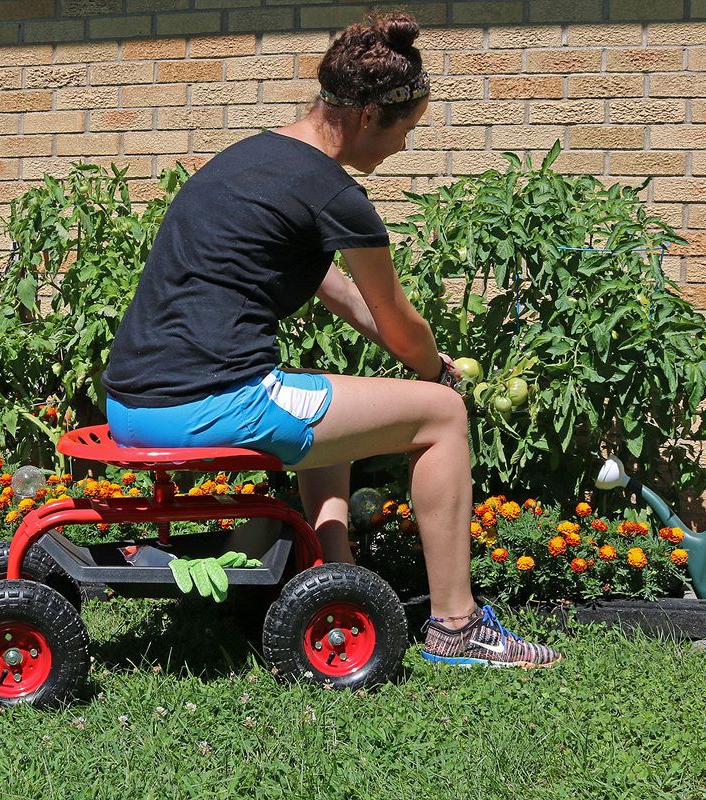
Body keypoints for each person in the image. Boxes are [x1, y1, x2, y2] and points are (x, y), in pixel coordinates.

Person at [102, 12, 561, 668]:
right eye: (405, 130)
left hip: (135, 403)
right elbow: (398, 320)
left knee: (327, 399)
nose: (402, 147)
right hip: (205, 403)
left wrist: (413, 358)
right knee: (445, 418)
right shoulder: (333, 194)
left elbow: (340, 293)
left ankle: (334, 579)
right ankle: (458, 626)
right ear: (370, 116)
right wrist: (436, 372)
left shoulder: (255, 161)